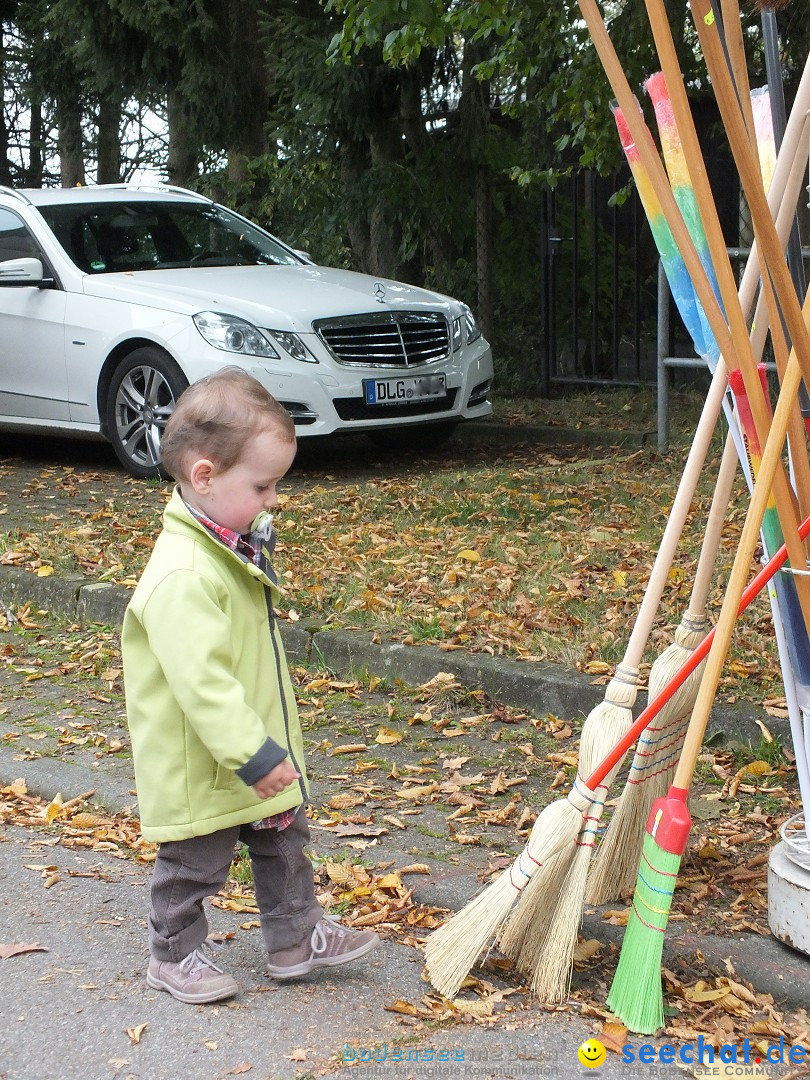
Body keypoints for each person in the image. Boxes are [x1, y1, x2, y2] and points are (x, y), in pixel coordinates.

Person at [121, 366, 379, 1004]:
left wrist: (263, 750)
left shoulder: (225, 547)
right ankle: (172, 954)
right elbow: (202, 682)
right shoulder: (183, 572)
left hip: (251, 750)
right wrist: (253, 753)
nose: (271, 499)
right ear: (204, 476)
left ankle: (296, 938)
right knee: (194, 865)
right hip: (206, 760)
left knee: (284, 840)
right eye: (262, 485)